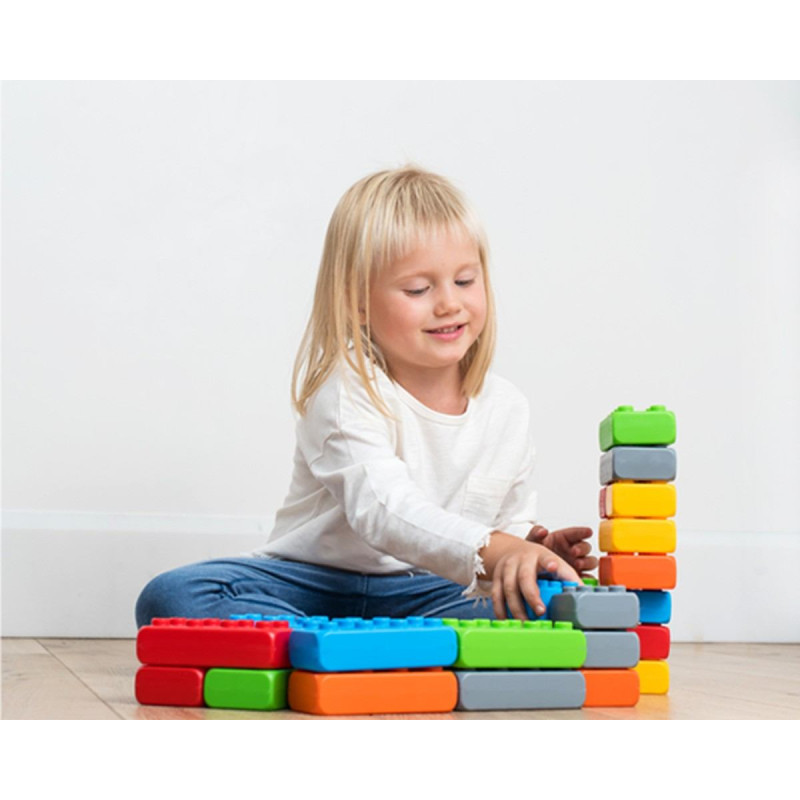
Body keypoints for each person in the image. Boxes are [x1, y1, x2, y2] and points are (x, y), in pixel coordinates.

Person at [135, 166, 597, 628]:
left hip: (427, 589)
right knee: (175, 595)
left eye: (464, 281)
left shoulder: (507, 408)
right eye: (418, 289)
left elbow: (503, 526)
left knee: (547, 606)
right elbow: (382, 511)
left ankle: (337, 649)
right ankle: (367, 644)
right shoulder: (346, 389)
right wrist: (494, 548)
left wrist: (528, 550)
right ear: (357, 301)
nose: (449, 304)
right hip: (309, 583)